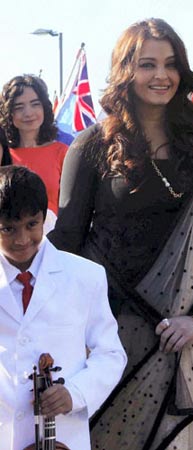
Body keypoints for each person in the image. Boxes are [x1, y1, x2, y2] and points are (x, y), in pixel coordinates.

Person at [48, 18, 193, 449]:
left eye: (170, 64)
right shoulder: (91, 145)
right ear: (126, 70)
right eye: (147, 64)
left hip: (175, 333)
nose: (161, 76)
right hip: (104, 332)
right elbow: (68, 240)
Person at [0, 165, 127, 450]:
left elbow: (111, 353)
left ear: (45, 217)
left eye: (32, 225)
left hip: (63, 438)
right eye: (8, 229)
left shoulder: (86, 276)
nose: (21, 239)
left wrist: (75, 392)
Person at [0, 75, 69, 228]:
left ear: (44, 107)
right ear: (9, 113)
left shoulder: (63, 153)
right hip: (8, 242)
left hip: (53, 241)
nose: (28, 113)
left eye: (35, 104)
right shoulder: (3, 154)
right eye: (19, 107)